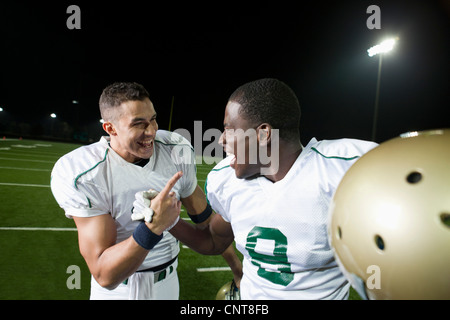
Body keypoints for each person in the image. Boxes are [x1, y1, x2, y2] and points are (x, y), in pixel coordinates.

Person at [168, 78, 378, 299]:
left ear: (263, 134)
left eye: (229, 129)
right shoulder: (226, 181)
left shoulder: (339, 170)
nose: (221, 140)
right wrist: (169, 222)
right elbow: (213, 240)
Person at [51, 82, 241, 300]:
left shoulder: (174, 150)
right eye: (138, 124)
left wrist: (237, 269)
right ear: (110, 128)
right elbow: (104, 274)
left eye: (153, 119)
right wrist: (152, 228)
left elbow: (208, 229)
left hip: (168, 282)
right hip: (117, 291)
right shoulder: (85, 173)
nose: (151, 131)